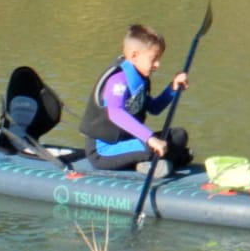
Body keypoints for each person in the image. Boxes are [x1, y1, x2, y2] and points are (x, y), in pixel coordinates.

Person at [79, 23, 192, 171]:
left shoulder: (140, 78)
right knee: (148, 147)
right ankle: (161, 161)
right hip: (103, 151)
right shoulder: (117, 79)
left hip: (129, 142)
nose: (157, 64)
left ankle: (153, 162)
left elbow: (154, 108)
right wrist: (149, 138)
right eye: (154, 59)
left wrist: (173, 88)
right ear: (134, 56)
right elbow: (116, 113)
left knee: (179, 135)